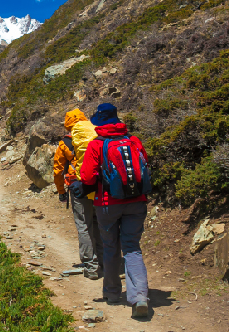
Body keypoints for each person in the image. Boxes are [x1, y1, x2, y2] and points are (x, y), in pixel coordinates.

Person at [80, 103, 150, 319]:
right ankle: (139, 297)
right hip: (137, 202)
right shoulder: (133, 140)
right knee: (132, 248)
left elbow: (87, 176)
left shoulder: (96, 145)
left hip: (108, 204)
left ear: (99, 122)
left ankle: (112, 293)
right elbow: (145, 165)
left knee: (110, 247)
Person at [53, 109, 103, 280]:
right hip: (99, 186)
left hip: (78, 188)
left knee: (84, 225)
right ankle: (106, 262)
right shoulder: (96, 135)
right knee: (99, 224)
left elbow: (58, 170)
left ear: (67, 125)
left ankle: (91, 266)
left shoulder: (65, 144)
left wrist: (61, 192)